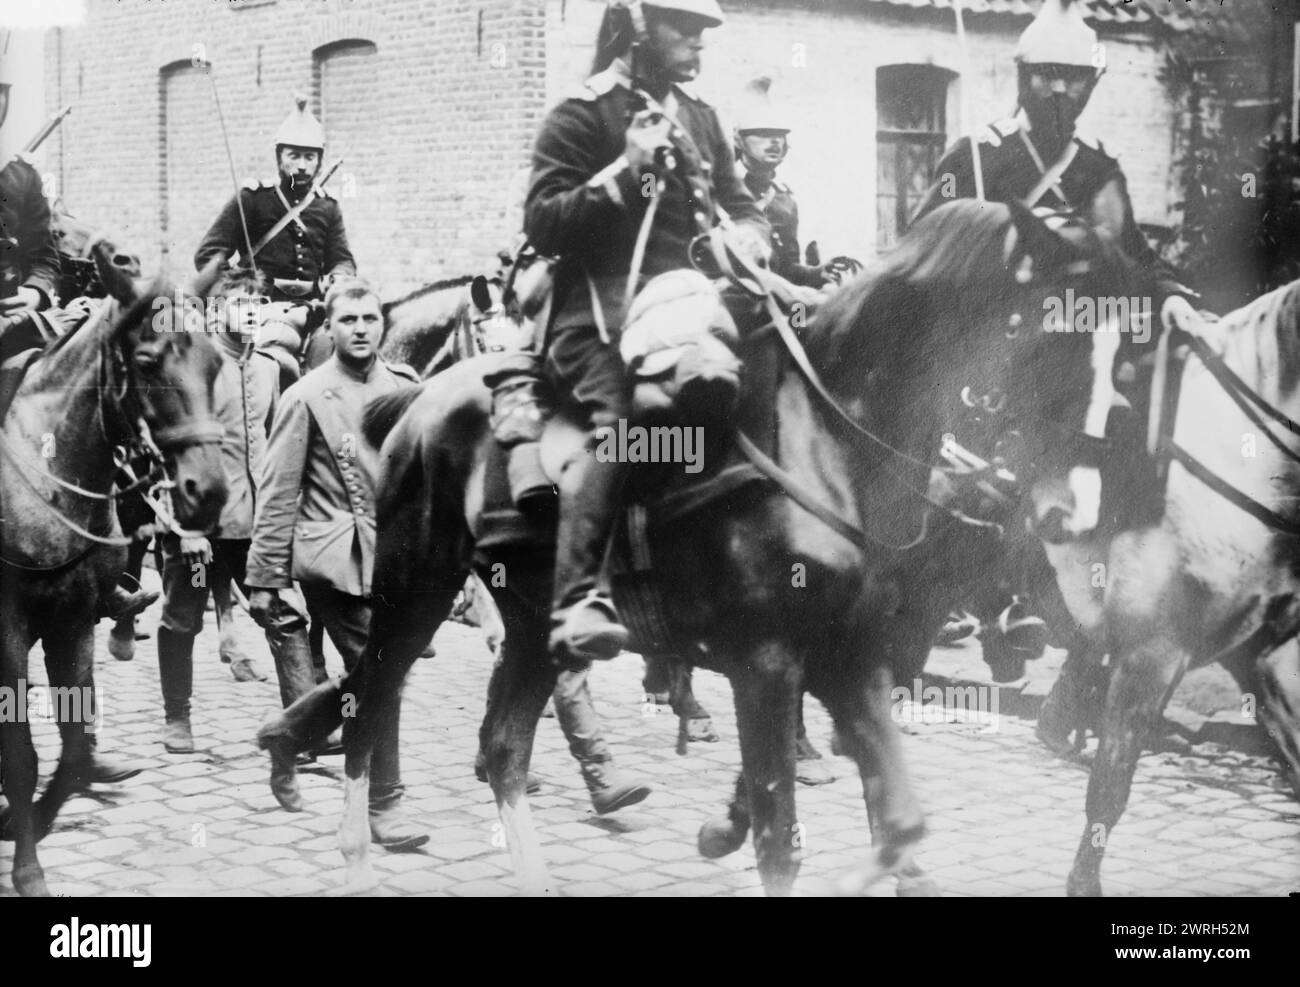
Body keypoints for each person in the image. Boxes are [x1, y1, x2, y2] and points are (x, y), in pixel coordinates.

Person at [912, 0, 1200, 655]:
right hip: (983, 336)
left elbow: (1136, 263)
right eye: (1047, 74)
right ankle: (992, 598)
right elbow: (921, 245)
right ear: (1022, 76)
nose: (1060, 89)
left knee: (1111, 444)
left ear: (1092, 87)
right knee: (984, 465)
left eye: (1074, 77)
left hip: (1071, 347)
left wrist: (1175, 296)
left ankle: (1086, 604)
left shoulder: (1098, 170)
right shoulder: (978, 154)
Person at [525, 0, 769, 665]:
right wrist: (624, 175)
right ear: (637, 26)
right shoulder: (584, 112)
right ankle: (580, 598)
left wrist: (749, 234)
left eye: (702, 31)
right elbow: (543, 222)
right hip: (597, 317)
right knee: (624, 417)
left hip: (694, 312)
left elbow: (740, 203)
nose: (698, 42)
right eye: (682, 27)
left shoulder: (701, 118)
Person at [248, 278, 426, 850]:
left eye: (370, 319)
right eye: (348, 320)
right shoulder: (305, 395)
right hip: (335, 558)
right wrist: (266, 577)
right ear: (329, 327)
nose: (360, 330)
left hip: (395, 555)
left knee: (373, 674)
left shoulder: (406, 387)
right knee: (384, 673)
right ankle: (386, 802)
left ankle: (289, 731)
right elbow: (278, 489)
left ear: (382, 325)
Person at [0, 55, 156, 626]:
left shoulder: (20, 176)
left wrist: (40, 295)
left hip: (21, 319)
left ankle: (97, 559)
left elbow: (42, 254)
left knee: (85, 393)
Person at [152, 269, 297, 753]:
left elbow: (274, 446)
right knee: (183, 620)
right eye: (241, 301)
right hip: (199, 526)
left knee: (281, 613)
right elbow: (168, 450)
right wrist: (184, 526)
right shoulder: (193, 362)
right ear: (216, 310)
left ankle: (302, 721)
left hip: (253, 525)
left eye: (260, 301)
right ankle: (177, 718)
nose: (252, 309)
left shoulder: (271, 369)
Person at [194, 95, 356, 379]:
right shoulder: (254, 198)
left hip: (313, 309)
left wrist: (339, 279)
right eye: (294, 156)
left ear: (319, 162)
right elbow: (208, 255)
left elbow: (341, 260)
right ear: (279, 157)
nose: (302, 166)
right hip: (260, 309)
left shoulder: (327, 206)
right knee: (275, 364)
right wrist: (239, 292)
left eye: (310, 157)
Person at [732, 76, 831, 289]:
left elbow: (787, 269)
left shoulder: (784, 199)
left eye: (779, 135)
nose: (775, 141)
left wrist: (817, 273)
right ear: (739, 140)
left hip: (773, 302)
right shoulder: (721, 190)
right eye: (764, 133)